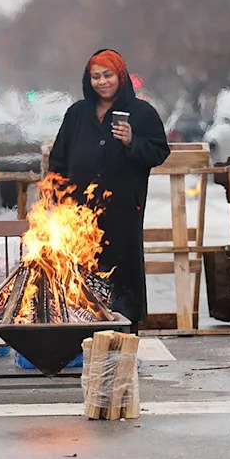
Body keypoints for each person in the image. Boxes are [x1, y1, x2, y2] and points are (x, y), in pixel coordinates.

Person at [47, 49, 170, 325]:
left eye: (108, 75)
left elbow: (159, 152)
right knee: (81, 274)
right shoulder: (77, 114)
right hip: (78, 215)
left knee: (122, 274)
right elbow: (58, 160)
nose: (102, 82)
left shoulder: (141, 112)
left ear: (121, 76)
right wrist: (54, 197)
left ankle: (124, 336)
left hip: (122, 212)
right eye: (95, 76)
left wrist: (132, 142)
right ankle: (81, 334)